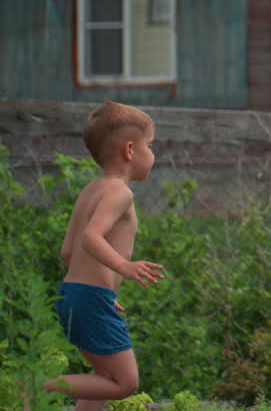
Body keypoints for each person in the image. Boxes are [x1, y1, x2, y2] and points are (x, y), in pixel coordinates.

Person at [43, 101, 165, 410]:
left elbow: (68, 251)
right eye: (150, 146)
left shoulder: (91, 190)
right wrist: (123, 267)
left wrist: (103, 289)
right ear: (130, 150)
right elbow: (90, 238)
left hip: (75, 294)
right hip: (88, 298)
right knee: (124, 383)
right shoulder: (120, 193)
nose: (153, 154)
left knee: (104, 379)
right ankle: (38, 388)